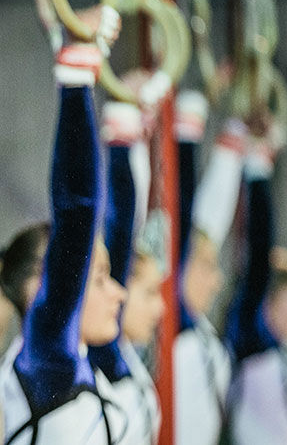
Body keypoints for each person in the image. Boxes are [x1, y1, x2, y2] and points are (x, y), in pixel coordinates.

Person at [0, 2, 128, 443]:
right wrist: (76, 77)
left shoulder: (78, 363)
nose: (120, 291)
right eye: (100, 278)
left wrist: (127, 130)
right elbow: (77, 212)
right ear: (42, 289)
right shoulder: (47, 359)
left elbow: (122, 225)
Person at [172, 91, 245, 445]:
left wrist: (235, 147)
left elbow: (211, 221)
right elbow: (185, 221)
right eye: (206, 267)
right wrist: (185, 139)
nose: (217, 282)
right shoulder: (173, 324)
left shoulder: (202, 334)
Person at [91, 101, 164, 445]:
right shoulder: (101, 356)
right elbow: (122, 229)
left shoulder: (127, 356)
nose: (161, 309)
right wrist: (122, 144)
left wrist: (138, 137)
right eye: (149, 292)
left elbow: (131, 224)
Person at [226, 133, 287, 445]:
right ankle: (256, 167)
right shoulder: (253, 337)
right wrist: (259, 171)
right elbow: (259, 268)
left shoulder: (273, 348)